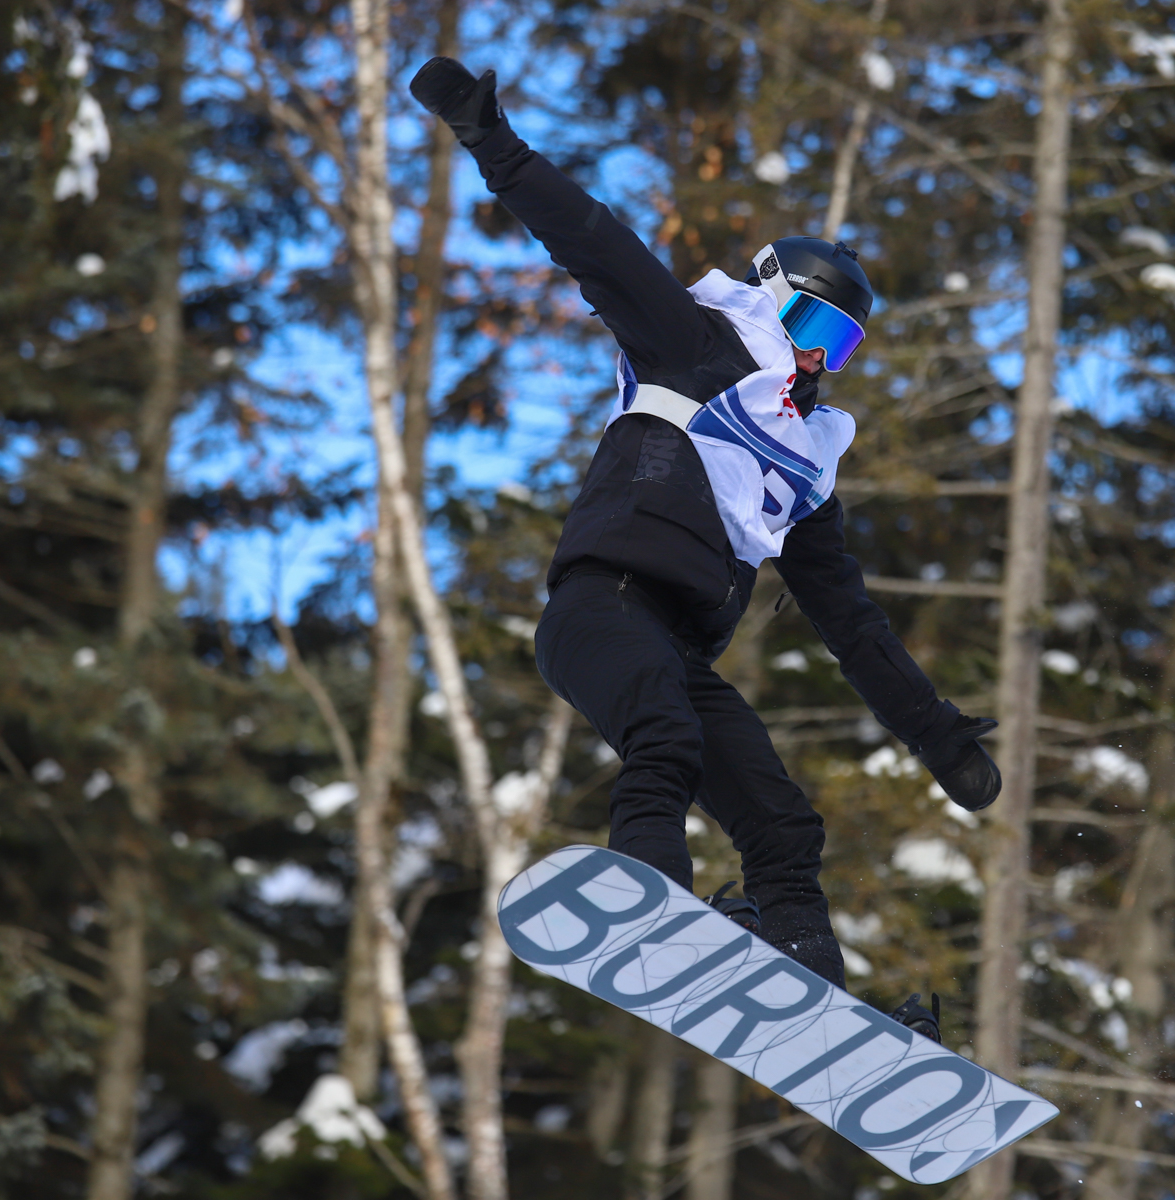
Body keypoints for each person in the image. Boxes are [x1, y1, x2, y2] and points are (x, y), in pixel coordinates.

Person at [410, 59, 1000, 1040]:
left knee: (782, 822)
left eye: (841, 347)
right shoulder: (691, 339)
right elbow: (591, 240)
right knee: (669, 742)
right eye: (812, 324)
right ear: (771, 299)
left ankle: (816, 1003)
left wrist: (936, 734)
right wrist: (490, 137)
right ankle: (653, 911)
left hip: (676, 646)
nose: (816, 358)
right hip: (603, 604)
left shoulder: (806, 468)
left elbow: (851, 624)